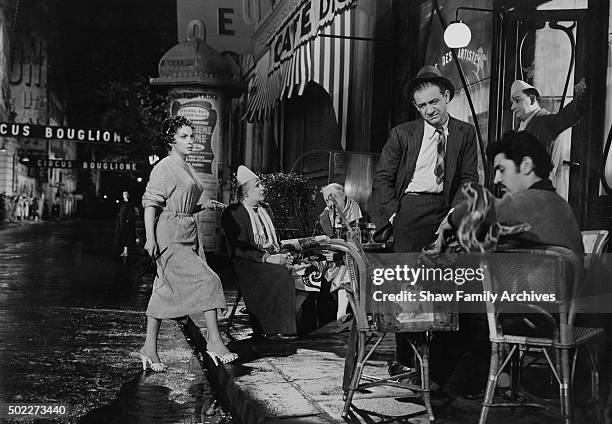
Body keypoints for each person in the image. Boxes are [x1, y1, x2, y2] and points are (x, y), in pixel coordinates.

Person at [427, 130, 584, 395]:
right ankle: (497, 376)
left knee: (460, 299)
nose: (497, 178)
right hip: (562, 312)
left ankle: (438, 380)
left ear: (525, 165)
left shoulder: (531, 200)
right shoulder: (555, 202)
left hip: (539, 316)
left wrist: (449, 220)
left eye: (501, 169)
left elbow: (476, 211)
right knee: (471, 294)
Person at [370, 65, 479, 375]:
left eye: (434, 102)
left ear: (446, 97)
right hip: (411, 212)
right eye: (422, 106)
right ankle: (405, 360)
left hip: (446, 211)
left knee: (444, 288)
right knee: (408, 287)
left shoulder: (465, 132)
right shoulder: (402, 133)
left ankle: (439, 365)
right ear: (415, 107)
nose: (429, 110)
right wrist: (394, 213)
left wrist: (455, 215)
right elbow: (383, 177)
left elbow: (469, 180)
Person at [135, 115, 236, 371]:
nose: (191, 141)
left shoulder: (187, 167)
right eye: (184, 137)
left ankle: (149, 348)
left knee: (163, 289)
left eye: (192, 136)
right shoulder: (163, 167)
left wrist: (203, 206)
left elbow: (183, 202)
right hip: (169, 234)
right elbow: (150, 204)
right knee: (208, 280)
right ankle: (214, 341)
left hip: (188, 231)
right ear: (171, 140)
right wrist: (149, 238)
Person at [221, 166, 304, 341]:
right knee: (280, 272)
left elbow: (273, 241)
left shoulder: (266, 210)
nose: (263, 188)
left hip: (269, 256)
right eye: (257, 185)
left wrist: (282, 254)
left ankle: (300, 323)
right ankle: (277, 328)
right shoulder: (232, 213)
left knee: (309, 268)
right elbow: (239, 248)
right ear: (245, 192)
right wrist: (267, 258)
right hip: (248, 263)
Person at [509, 78, 588, 192]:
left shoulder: (545, 122)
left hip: (538, 196)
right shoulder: (522, 126)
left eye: (517, 100)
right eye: (512, 102)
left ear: (531, 99)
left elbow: (566, 117)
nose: (512, 107)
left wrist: (581, 97)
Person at [318, 183, 362, 324]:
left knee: (347, 267)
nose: (330, 203)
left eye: (333, 198)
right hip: (327, 259)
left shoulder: (358, 215)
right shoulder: (324, 217)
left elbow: (360, 245)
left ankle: (341, 315)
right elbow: (317, 239)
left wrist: (339, 255)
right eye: (326, 200)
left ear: (343, 195)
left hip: (347, 258)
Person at [117, 190, 139, 258]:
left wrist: (128, 220)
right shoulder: (122, 204)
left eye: (126, 194)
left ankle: (126, 252)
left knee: (127, 237)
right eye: (124, 194)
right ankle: (124, 251)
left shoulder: (130, 204)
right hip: (122, 223)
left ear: (128, 195)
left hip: (127, 224)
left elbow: (131, 213)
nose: (125, 195)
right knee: (123, 237)